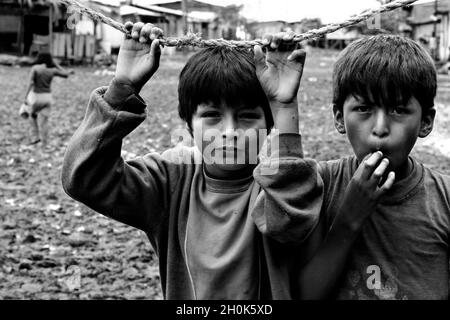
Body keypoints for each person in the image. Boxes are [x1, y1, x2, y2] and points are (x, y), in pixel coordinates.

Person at [61, 21, 375, 300]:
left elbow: (288, 223)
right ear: (187, 124)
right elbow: (84, 179)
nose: (229, 132)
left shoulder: (279, 181)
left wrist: (284, 108)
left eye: (248, 116)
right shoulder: (170, 181)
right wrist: (121, 90)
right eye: (211, 116)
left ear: (269, 125)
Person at [253, 34, 450, 300]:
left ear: (426, 121)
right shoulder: (322, 184)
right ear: (339, 117)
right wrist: (349, 217)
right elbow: (305, 294)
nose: (380, 129)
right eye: (364, 108)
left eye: (399, 110)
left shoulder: (444, 198)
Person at [23, 52, 72, 145]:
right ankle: (45, 141)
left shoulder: (35, 68)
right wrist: (56, 64)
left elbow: (31, 83)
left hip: (36, 96)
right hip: (48, 97)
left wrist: (25, 97)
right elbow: (66, 74)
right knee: (45, 120)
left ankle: (36, 137)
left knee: (32, 115)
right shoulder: (52, 70)